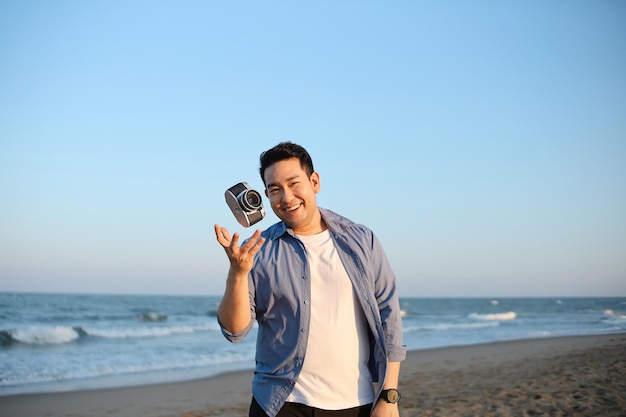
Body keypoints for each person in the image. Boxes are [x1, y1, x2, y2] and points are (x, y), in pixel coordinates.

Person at [214, 142, 405, 417]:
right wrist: (238, 273)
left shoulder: (362, 240)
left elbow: (389, 317)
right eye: (275, 190)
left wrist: (389, 396)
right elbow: (235, 331)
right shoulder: (257, 249)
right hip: (279, 404)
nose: (287, 198)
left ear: (314, 182)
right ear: (267, 195)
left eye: (294, 184)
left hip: (355, 402)